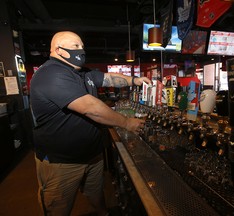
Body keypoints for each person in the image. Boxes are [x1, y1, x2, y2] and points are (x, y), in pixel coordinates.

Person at [30, 31, 151, 216]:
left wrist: (134, 80)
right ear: (59, 50)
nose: (82, 50)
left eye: (82, 46)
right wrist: (126, 122)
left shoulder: (82, 73)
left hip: (92, 157)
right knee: (58, 210)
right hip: (62, 162)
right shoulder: (51, 74)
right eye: (76, 46)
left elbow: (109, 78)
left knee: (98, 204)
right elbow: (90, 108)